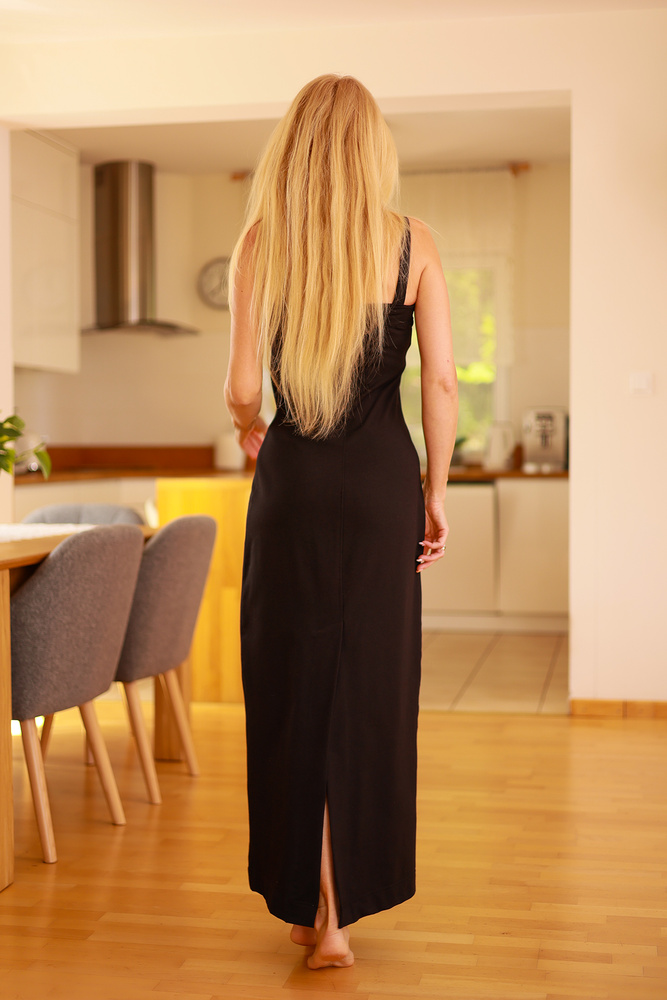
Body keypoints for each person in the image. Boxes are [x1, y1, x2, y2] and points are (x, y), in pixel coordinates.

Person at [224, 74, 458, 970]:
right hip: (378, 492)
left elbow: (242, 388)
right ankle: (335, 914)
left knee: (288, 685)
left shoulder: (261, 244)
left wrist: (247, 423)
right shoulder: (412, 243)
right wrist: (434, 492)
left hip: (292, 489)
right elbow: (441, 384)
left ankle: (305, 899)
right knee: (366, 690)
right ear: (371, 150)